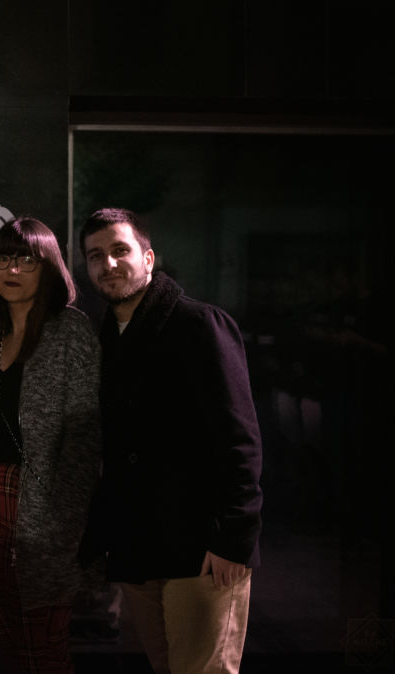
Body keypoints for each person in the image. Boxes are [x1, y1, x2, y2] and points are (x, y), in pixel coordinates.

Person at [79, 208, 263, 674]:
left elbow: (240, 439)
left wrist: (234, 539)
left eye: (120, 250)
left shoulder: (200, 325)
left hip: (203, 551)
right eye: (96, 256)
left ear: (148, 257)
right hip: (141, 551)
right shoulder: (110, 339)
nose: (110, 264)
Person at [0, 216, 102, 673]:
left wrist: (63, 516)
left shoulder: (71, 331)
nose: (11, 269)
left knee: (42, 639)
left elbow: (86, 437)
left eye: (25, 258)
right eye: (2, 258)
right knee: (3, 629)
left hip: (43, 499)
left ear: (47, 266)